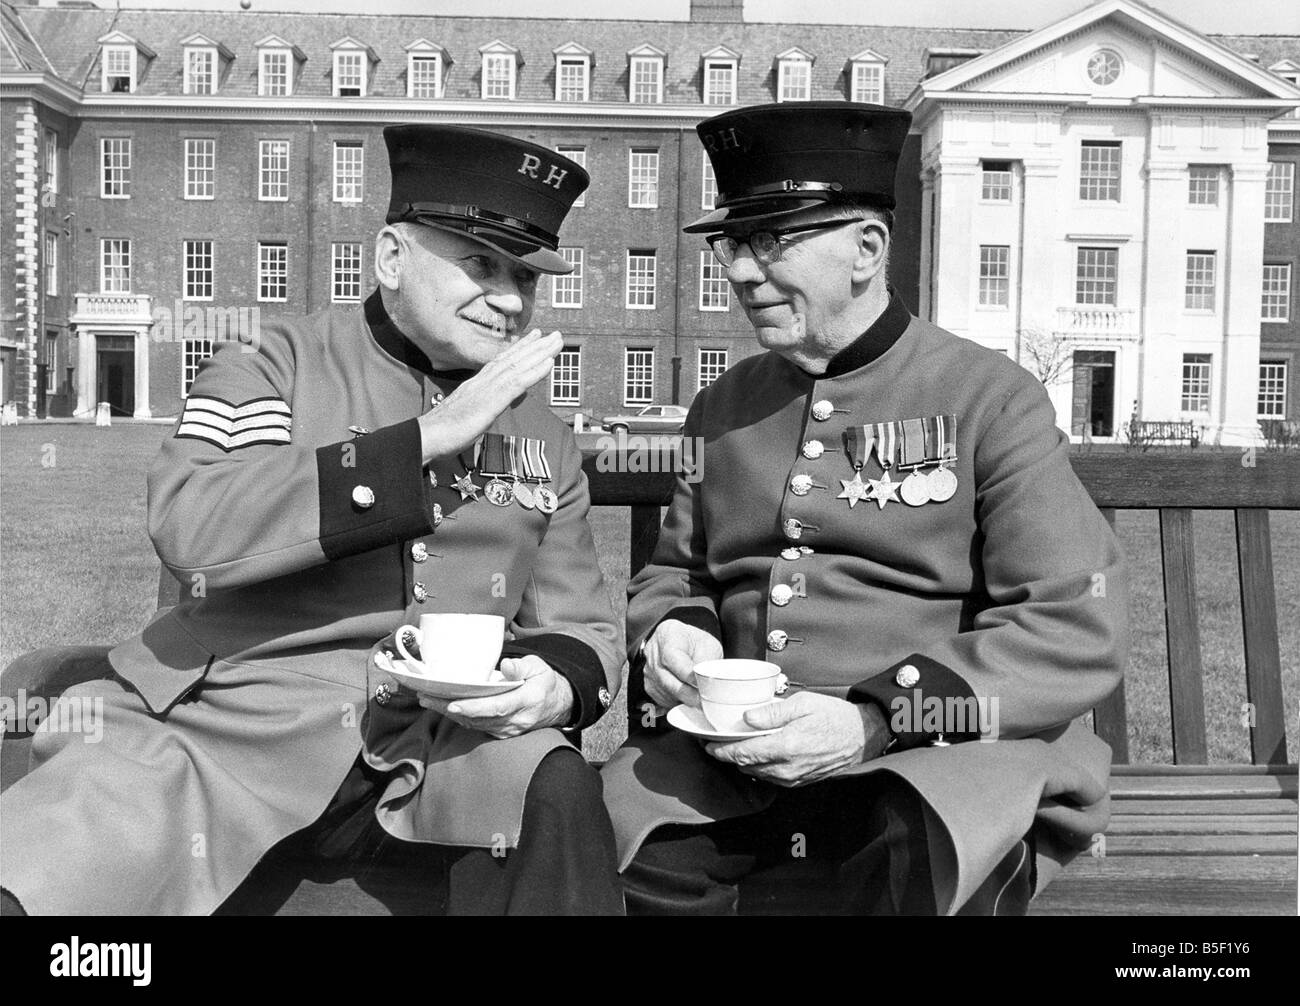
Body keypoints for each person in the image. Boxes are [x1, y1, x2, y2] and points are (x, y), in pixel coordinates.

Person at [0, 124, 625, 916]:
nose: (507, 299)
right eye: (479, 264)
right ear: (391, 256)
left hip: (441, 745)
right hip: (224, 731)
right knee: (36, 887)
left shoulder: (543, 432)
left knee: (557, 789)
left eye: (525, 278)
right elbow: (195, 526)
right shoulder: (272, 362)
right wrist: (428, 439)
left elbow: (584, 626)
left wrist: (553, 689)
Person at [600, 101, 1129, 915]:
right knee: (621, 852)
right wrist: (679, 628)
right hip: (735, 758)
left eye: (772, 242)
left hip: (931, 756)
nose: (741, 272)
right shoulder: (721, 409)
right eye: (735, 245)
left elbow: (1073, 622)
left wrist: (875, 720)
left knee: (920, 864)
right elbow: (677, 574)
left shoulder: (989, 400)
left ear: (867, 248)